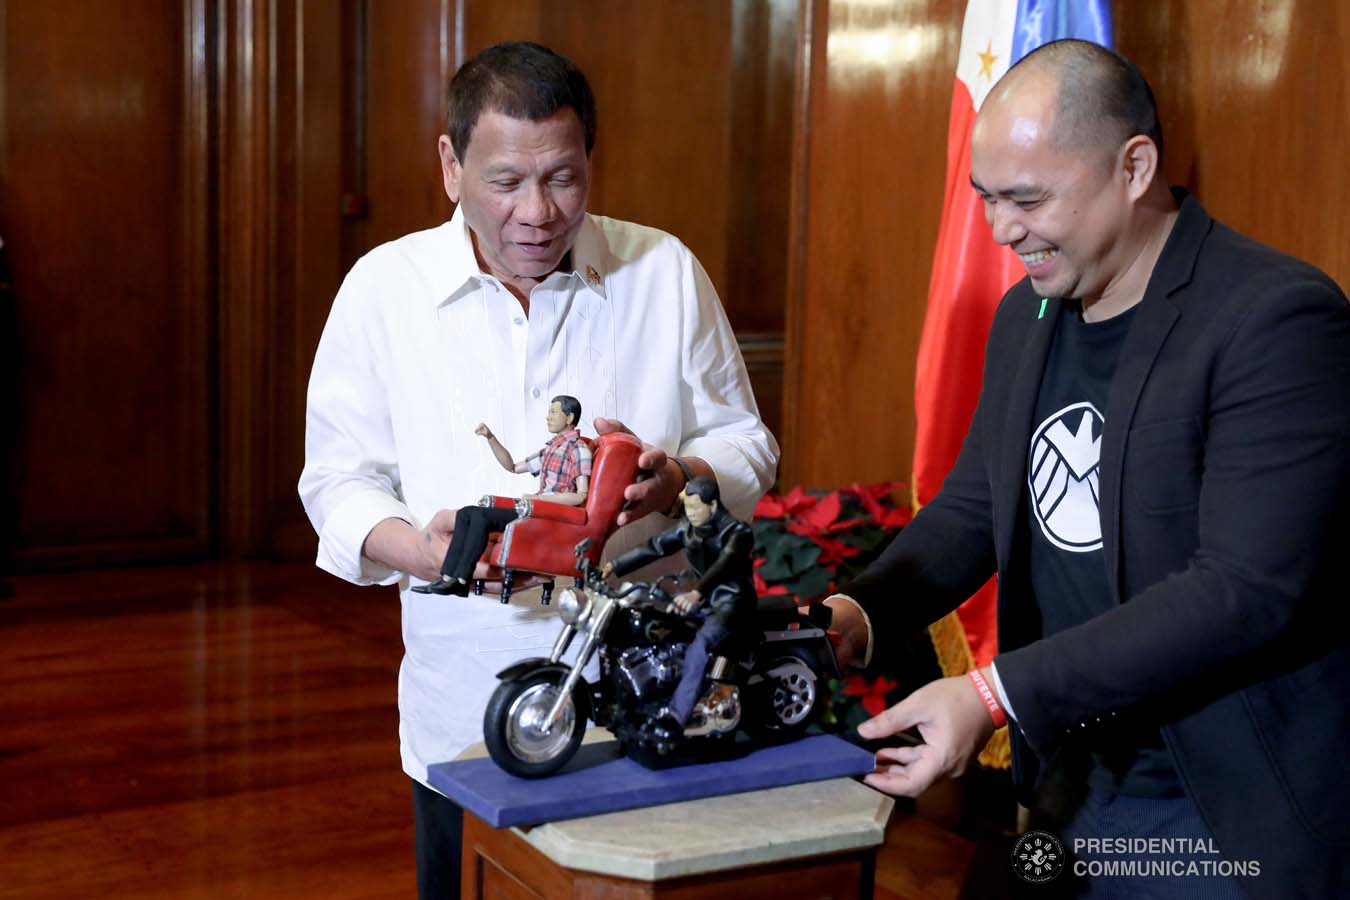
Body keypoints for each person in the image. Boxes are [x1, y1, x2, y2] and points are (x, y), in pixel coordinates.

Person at [826, 40, 1349, 900]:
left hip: (1218, 802)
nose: (1001, 231)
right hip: (1072, 778)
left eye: (1028, 199)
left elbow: (1243, 589)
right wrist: (858, 609)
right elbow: (978, 506)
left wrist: (994, 693)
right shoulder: (1026, 313)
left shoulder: (1276, 318)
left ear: (1134, 166)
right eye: (986, 199)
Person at [298, 41, 777, 899]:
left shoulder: (662, 271)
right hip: (464, 704)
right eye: (506, 181)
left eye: (563, 178)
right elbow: (337, 479)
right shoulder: (384, 290)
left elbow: (748, 442)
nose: (537, 213)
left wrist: (683, 478)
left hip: (644, 692)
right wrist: (421, 548)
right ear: (451, 165)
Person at [602, 475, 756, 740]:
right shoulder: (689, 527)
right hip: (705, 599)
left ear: (714, 506)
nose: (690, 513)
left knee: (700, 647)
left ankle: (676, 718)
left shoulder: (737, 532)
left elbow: (725, 563)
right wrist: (615, 566)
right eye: (687, 507)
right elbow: (655, 546)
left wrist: (696, 593)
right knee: (664, 627)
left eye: (695, 507)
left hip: (732, 603)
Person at [414, 394, 589, 596]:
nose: (547, 417)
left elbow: (580, 496)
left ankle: (461, 579)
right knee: (467, 513)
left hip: (547, 515)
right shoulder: (551, 449)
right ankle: (447, 578)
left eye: (553, 412)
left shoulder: (579, 449)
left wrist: (541, 500)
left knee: (481, 517)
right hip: (534, 508)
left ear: (569, 418)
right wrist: (491, 437)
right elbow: (513, 467)